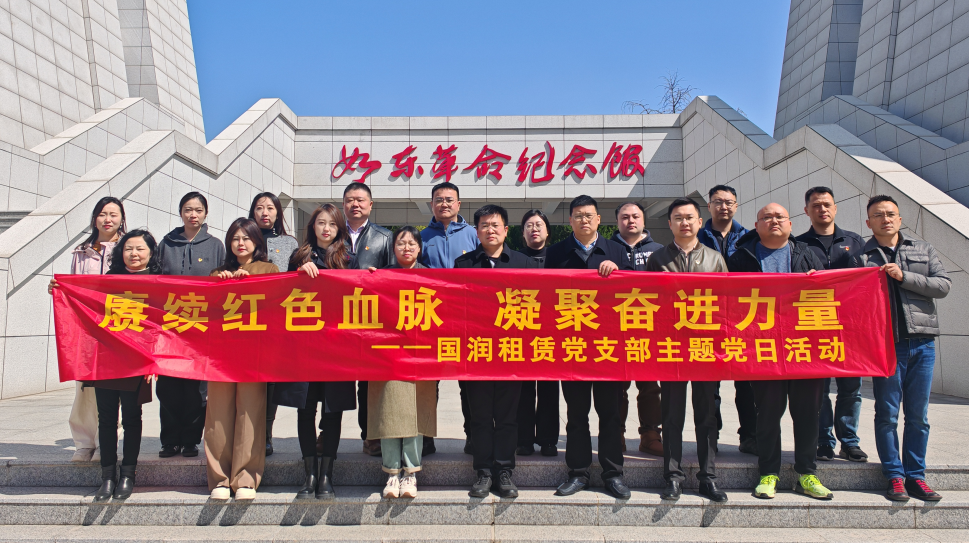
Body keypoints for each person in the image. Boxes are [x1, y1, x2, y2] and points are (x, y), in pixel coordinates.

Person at [727, 203, 833, 501]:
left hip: (804, 349)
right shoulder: (741, 258)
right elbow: (728, 303)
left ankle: (807, 473)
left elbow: (829, 295)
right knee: (768, 413)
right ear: (756, 225)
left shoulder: (808, 254)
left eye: (779, 217)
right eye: (766, 217)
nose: (773, 221)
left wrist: (817, 280)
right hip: (763, 349)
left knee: (808, 413)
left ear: (790, 223)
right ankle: (768, 473)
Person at [853, 195, 950, 502]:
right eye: (878, 215)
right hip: (885, 347)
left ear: (899, 219)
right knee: (887, 414)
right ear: (869, 222)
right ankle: (895, 476)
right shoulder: (860, 256)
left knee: (918, 416)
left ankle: (916, 476)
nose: (885, 219)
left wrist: (904, 276)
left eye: (890, 214)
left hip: (922, 342)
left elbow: (943, 285)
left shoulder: (923, 249)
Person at [546, 195, 633, 500]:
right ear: (570, 220)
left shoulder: (617, 251)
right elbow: (546, 295)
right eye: (578, 216)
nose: (584, 220)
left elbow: (636, 292)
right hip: (572, 347)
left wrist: (619, 272)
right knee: (577, 413)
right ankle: (578, 473)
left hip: (609, 347)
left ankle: (613, 474)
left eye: (589, 215)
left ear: (599, 219)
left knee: (610, 413)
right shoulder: (556, 253)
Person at [645, 198, 728, 503]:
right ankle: (673, 477)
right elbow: (648, 303)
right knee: (672, 415)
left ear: (699, 222)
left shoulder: (715, 259)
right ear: (669, 224)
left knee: (707, 415)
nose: (685, 223)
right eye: (678, 218)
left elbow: (726, 303)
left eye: (690, 217)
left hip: (705, 348)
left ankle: (708, 477)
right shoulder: (657, 259)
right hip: (671, 348)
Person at [273, 204, 357, 500]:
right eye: (321, 223)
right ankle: (309, 473)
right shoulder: (299, 257)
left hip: (336, 349)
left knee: (332, 411)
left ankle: (326, 475)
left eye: (332, 224)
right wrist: (297, 274)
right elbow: (281, 295)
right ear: (312, 227)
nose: (326, 229)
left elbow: (360, 296)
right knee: (305, 410)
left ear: (339, 229)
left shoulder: (349, 259)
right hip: (304, 348)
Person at [455, 204, 538, 499]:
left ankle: (504, 471)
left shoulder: (524, 264)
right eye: (484, 226)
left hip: (511, 352)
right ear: (476, 232)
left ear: (505, 230)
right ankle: (483, 472)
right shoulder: (463, 264)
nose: (490, 230)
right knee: (479, 416)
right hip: (476, 353)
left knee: (506, 417)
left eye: (495, 225)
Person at [205, 218, 279, 500]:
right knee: (218, 415)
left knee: (250, 412)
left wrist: (252, 283)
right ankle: (220, 479)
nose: (240, 243)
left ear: (256, 242)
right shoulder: (217, 272)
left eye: (246, 238)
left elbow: (275, 304)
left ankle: (246, 478)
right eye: (235, 238)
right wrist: (218, 284)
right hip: (221, 354)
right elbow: (206, 310)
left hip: (253, 352)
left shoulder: (268, 269)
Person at [48, 197, 126, 463]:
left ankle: (106, 441)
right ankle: (84, 443)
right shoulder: (81, 251)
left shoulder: (128, 247)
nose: (108, 219)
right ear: (95, 219)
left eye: (113, 214)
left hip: (117, 327)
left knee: (112, 386)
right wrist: (59, 289)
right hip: (88, 328)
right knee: (84, 386)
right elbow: (74, 288)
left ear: (122, 219)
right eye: (103, 214)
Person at [794, 186, 868, 463]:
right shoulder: (798, 244)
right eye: (816, 205)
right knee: (819, 390)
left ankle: (849, 441)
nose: (822, 209)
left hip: (850, 326)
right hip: (814, 326)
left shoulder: (855, 241)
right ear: (807, 211)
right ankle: (824, 441)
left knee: (850, 388)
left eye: (826, 204)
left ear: (835, 208)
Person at [87, 229, 159, 501]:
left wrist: (153, 361)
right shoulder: (109, 280)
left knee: (131, 418)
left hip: (137, 361)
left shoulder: (159, 283)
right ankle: (107, 476)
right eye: (128, 248)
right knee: (106, 419)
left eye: (140, 249)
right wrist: (59, 289)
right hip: (107, 358)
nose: (134, 254)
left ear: (151, 253)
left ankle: (128, 474)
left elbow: (162, 326)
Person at [369, 226, 438, 499]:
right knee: (389, 412)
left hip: (420, 356)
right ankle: (391, 473)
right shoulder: (382, 275)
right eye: (401, 243)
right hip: (388, 356)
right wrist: (368, 280)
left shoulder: (431, 277)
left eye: (411, 243)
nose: (406, 248)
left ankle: (411, 473)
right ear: (393, 247)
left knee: (414, 414)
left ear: (420, 248)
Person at [155, 192, 225, 459]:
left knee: (197, 389)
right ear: (180, 212)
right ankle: (169, 440)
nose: (193, 215)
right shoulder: (166, 243)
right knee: (168, 386)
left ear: (206, 214)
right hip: (170, 329)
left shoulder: (216, 245)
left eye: (198, 210)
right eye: (187, 209)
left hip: (202, 330)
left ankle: (190, 440)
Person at [696, 184, 757, 456]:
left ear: (736, 205)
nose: (724, 206)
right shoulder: (697, 237)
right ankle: (712, 435)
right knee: (710, 385)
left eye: (729, 202)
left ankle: (750, 436)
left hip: (744, 320)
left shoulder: (751, 238)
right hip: (707, 319)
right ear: (709, 206)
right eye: (718, 202)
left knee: (747, 383)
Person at [420, 181, 479, 456]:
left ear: (458, 204)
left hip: (467, 320)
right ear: (432, 204)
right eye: (438, 199)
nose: (444, 204)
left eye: (449, 199)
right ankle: (425, 436)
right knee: (428, 382)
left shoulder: (473, 235)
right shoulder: (422, 237)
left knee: (469, 382)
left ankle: (473, 435)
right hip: (431, 318)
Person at [341, 182, 394, 457]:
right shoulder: (333, 233)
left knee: (369, 383)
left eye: (360, 200)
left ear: (370, 205)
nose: (355, 204)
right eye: (350, 200)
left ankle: (370, 435)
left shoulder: (385, 237)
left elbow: (394, 277)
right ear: (343, 205)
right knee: (336, 379)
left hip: (370, 320)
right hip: (336, 320)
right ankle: (329, 434)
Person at [611, 201, 663, 457]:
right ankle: (616, 434)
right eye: (624, 217)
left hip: (649, 329)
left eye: (635, 216)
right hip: (614, 330)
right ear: (617, 221)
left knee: (650, 386)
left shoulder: (659, 251)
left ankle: (650, 435)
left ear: (644, 220)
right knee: (616, 388)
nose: (630, 221)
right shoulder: (606, 249)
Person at [248, 192, 297, 457]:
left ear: (278, 212)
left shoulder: (288, 243)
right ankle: (246, 432)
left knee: (270, 382)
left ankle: (265, 435)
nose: (264, 213)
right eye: (259, 208)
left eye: (270, 208)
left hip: (275, 322)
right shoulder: (243, 237)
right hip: (245, 321)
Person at [515, 209, 559, 457]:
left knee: (549, 389)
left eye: (539, 225)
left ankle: (548, 440)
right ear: (522, 233)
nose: (534, 229)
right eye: (529, 225)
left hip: (552, 333)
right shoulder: (514, 259)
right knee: (523, 389)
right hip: (522, 331)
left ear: (547, 231)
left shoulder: (559, 258)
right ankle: (523, 440)